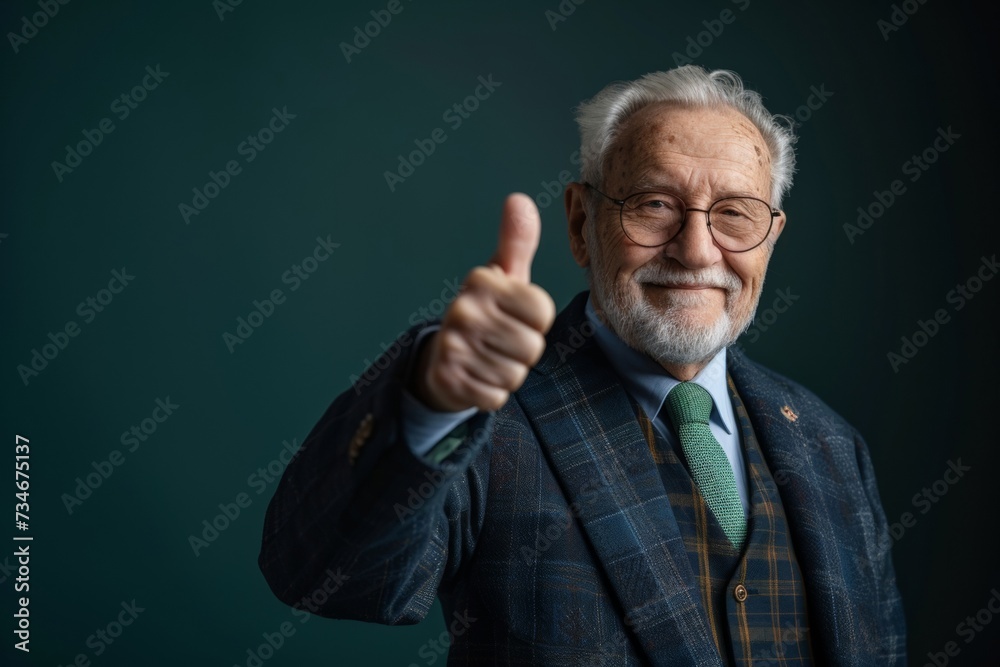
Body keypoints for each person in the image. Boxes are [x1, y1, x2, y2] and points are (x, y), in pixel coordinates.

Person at [258, 65, 906, 665]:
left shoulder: (830, 443)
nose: (696, 249)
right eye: (654, 204)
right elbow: (324, 576)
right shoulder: (491, 414)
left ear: (771, 238)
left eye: (735, 213)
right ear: (579, 222)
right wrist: (432, 406)